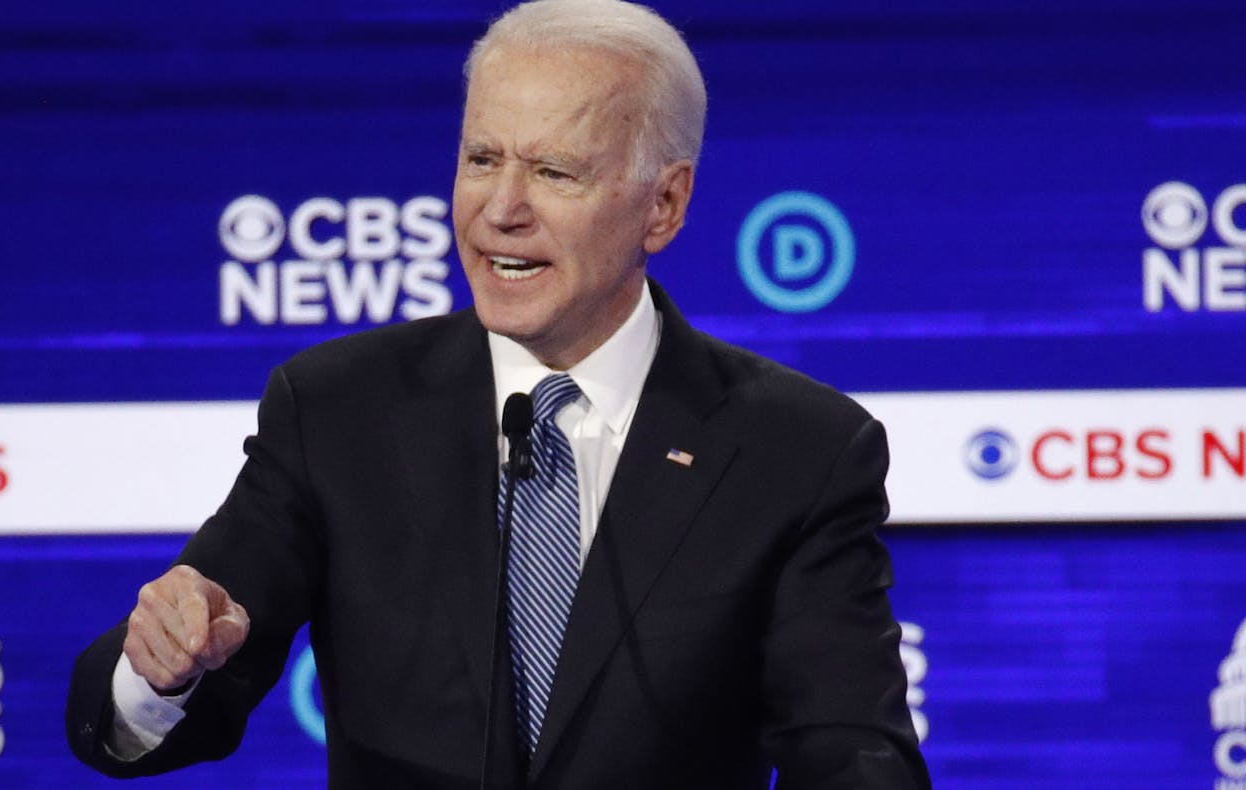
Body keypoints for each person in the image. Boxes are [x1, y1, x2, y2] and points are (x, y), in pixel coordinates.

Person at [66, 1, 931, 787]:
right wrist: (159, 669)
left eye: (556, 172)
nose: (500, 210)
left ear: (663, 206)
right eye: (482, 159)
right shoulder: (338, 411)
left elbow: (850, 749)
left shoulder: (795, 450)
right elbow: (163, 713)